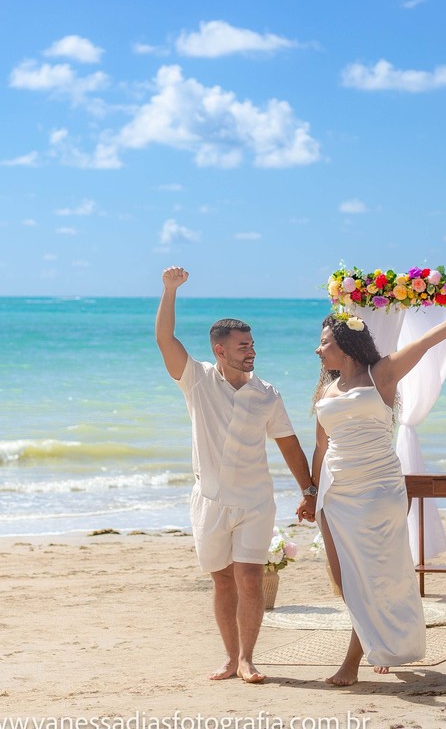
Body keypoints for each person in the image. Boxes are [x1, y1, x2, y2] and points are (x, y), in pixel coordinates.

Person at [312, 309, 446, 686]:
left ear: (346, 344)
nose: (318, 349)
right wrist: (311, 491)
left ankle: (354, 660)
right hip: (335, 492)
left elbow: (425, 343)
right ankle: (379, 641)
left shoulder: (381, 374)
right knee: (345, 579)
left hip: (378, 489)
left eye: (324, 342)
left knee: (377, 575)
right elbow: (320, 445)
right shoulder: (326, 387)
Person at [156, 266, 315, 684]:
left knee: (249, 578)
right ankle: (230, 658)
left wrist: (309, 490)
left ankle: (247, 659)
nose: (252, 351)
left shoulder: (267, 394)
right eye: (243, 346)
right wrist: (170, 290)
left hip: (255, 501)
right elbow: (165, 340)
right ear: (220, 350)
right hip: (209, 501)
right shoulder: (197, 380)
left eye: (253, 344)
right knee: (223, 582)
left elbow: (289, 445)